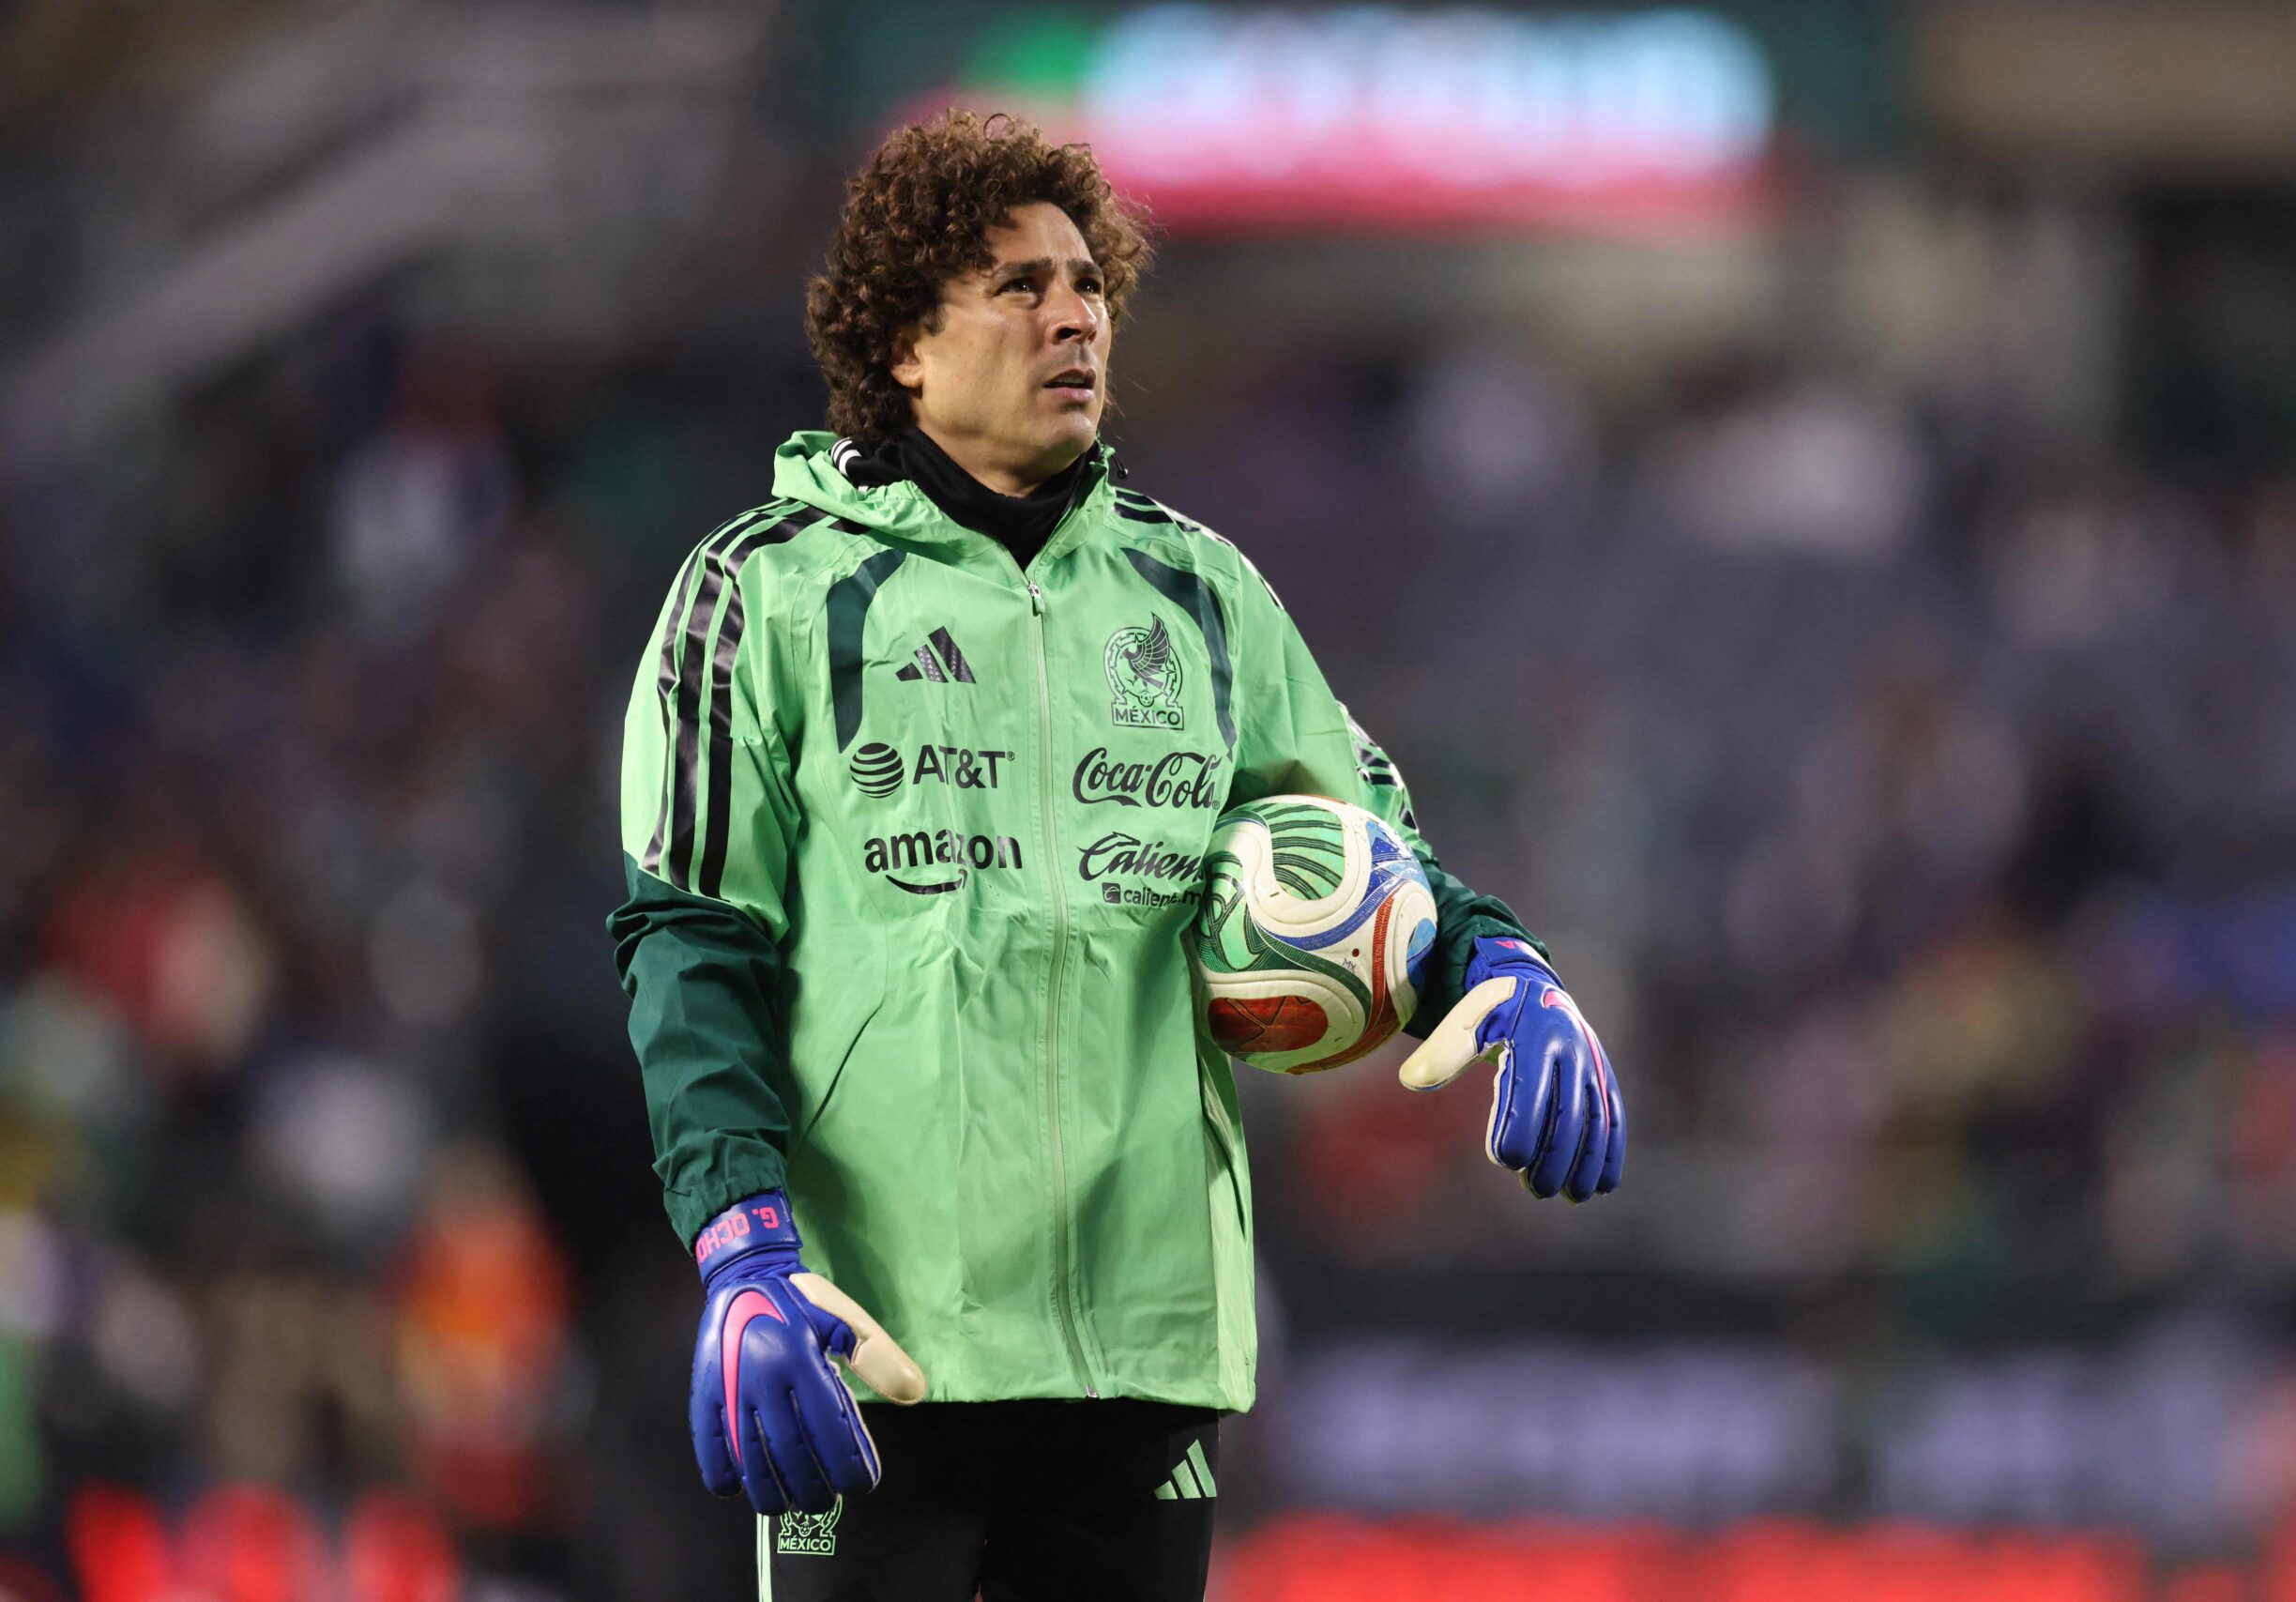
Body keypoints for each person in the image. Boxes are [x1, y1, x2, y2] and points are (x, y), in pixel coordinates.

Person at [606, 110, 1624, 1601]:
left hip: (1143, 1362)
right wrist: (741, 1243)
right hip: (875, 1345)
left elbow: (1380, 851)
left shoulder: (1203, 596)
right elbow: (693, 944)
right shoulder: (755, 596)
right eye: (1018, 287)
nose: (1074, 314)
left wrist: (1505, 963)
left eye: (1088, 284)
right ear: (903, 343)